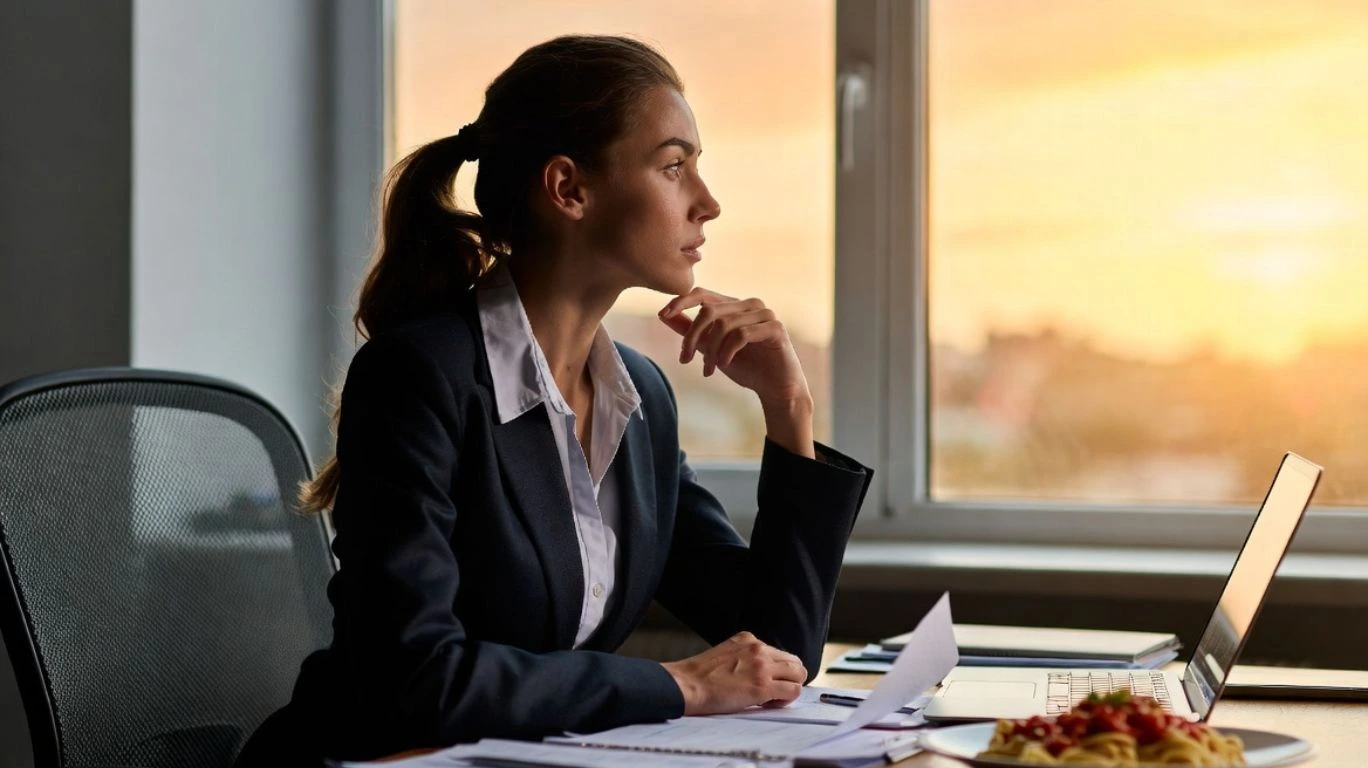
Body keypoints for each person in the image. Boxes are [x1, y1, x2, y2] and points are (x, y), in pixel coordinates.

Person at [235, 34, 872, 766]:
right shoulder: (421, 377)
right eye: (674, 166)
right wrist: (677, 686)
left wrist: (789, 409)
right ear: (568, 189)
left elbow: (779, 652)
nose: (708, 203)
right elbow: (416, 678)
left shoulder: (641, 403)